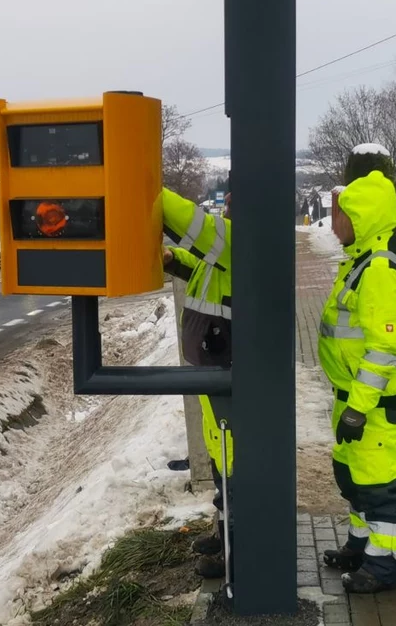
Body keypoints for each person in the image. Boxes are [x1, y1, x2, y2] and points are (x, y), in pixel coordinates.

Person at [318, 168, 396, 594]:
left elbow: (385, 348)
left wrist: (359, 407)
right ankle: (360, 547)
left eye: (339, 215)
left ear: (362, 217)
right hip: (354, 398)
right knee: (353, 478)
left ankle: (385, 567)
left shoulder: (379, 269)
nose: (333, 222)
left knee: (379, 487)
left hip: (370, 405)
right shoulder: (363, 260)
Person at [161, 180, 233, 580]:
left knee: (235, 462)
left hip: (228, 370)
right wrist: (172, 260)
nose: (230, 205)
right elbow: (202, 267)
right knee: (222, 459)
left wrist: (148, 191)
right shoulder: (224, 252)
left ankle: (237, 552)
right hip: (213, 368)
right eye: (230, 198)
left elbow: (197, 226)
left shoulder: (241, 240)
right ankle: (226, 535)